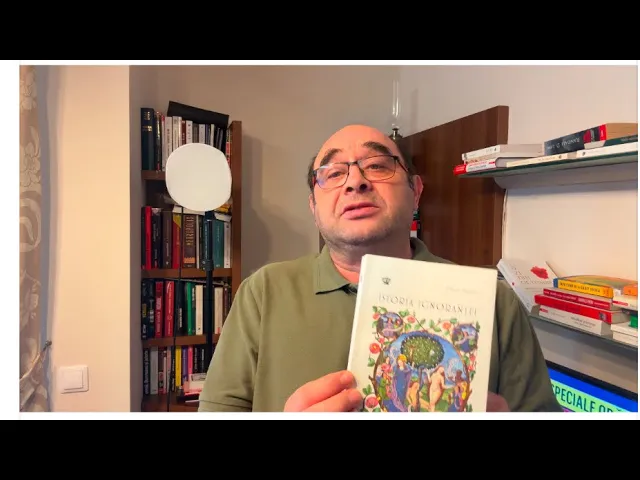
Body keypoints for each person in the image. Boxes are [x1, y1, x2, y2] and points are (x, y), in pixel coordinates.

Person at [197, 124, 563, 413]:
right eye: (333, 173)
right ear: (313, 207)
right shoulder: (263, 293)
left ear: (416, 191)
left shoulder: (495, 302)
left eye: (376, 165)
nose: (356, 182)